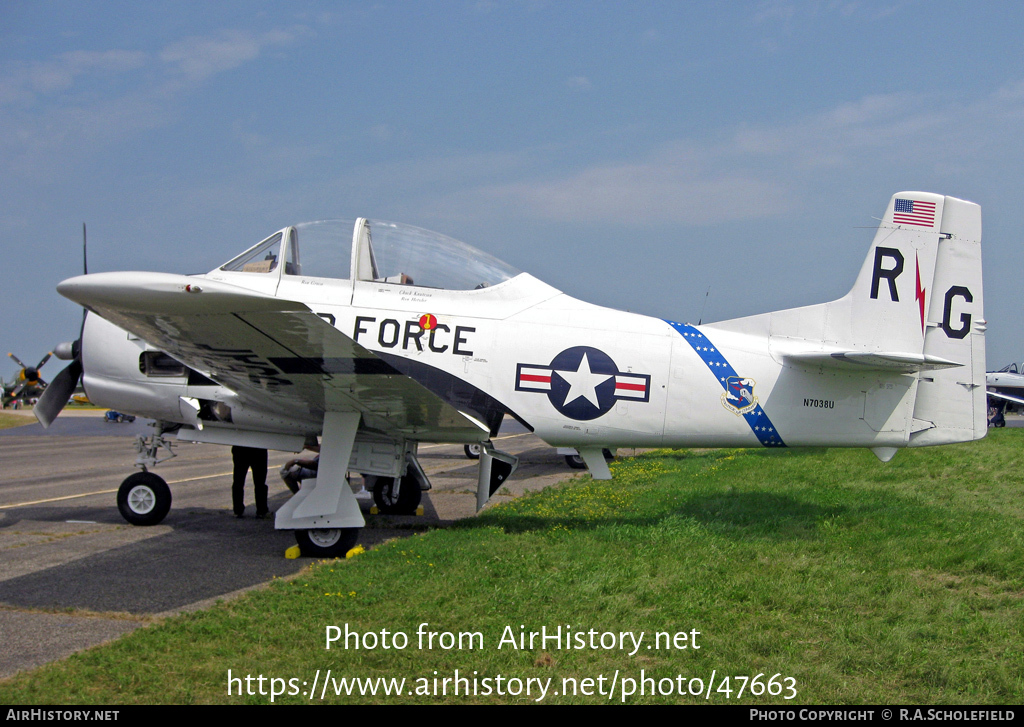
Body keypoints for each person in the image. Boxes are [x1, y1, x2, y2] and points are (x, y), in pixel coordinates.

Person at [231, 445, 268, 518]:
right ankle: (261, 510)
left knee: (238, 481)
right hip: (258, 449)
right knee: (260, 482)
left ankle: (238, 510)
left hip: (240, 448)